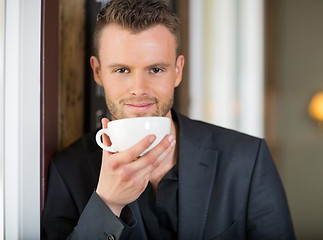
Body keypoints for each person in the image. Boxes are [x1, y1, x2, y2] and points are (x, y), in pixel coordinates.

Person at [42, 0, 295, 239]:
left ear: (177, 71)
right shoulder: (67, 171)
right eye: (121, 70)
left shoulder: (247, 160)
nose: (138, 89)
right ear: (98, 72)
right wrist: (107, 204)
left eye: (155, 69)